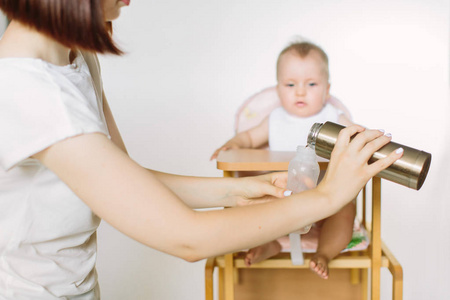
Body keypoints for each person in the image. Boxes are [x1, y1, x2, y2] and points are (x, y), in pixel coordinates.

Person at [0, 1, 403, 299]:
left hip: (77, 287)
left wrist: (233, 191)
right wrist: (329, 196)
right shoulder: (30, 93)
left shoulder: (76, 57)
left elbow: (123, 178)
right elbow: (187, 239)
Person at [210, 41, 358, 279]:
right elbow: (249, 138)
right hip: (282, 197)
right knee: (256, 206)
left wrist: (367, 141)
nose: (300, 91)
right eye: (290, 84)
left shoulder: (333, 117)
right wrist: (235, 144)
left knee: (346, 207)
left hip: (326, 199)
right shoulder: (275, 119)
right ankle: (270, 244)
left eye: (311, 84)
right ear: (278, 89)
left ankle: (324, 253)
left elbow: (356, 136)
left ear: (326, 90)